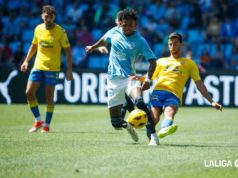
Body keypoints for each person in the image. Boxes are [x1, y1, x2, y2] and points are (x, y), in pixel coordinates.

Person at [86, 8, 158, 145]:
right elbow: (103, 40)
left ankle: (152, 135)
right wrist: (93, 47)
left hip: (130, 78)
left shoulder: (140, 41)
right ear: (120, 23)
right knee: (116, 123)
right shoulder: (114, 31)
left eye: (130, 25)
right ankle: (127, 126)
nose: (127, 28)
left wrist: (148, 79)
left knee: (140, 102)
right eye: (124, 25)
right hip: (113, 80)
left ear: (135, 24)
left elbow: (153, 61)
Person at [149, 32, 223, 139]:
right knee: (154, 118)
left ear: (181, 45)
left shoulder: (190, 64)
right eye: (170, 44)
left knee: (169, 112)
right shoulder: (161, 61)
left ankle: (164, 129)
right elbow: (148, 78)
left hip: (174, 94)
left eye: (175, 44)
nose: (172, 47)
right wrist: (137, 81)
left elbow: (199, 84)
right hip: (158, 92)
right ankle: (153, 137)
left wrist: (211, 101)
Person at [20, 5, 73, 133]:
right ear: (42, 17)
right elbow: (33, 46)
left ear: (54, 17)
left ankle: (47, 125)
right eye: (46, 17)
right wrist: (26, 61)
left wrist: (69, 70)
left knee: (49, 97)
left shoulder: (61, 31)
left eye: (50, 17)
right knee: (29, 92)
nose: (48, 19)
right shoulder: (38, 29)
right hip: (38, 66)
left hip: (53, 69)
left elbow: (68, 52)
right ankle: (38, 120)